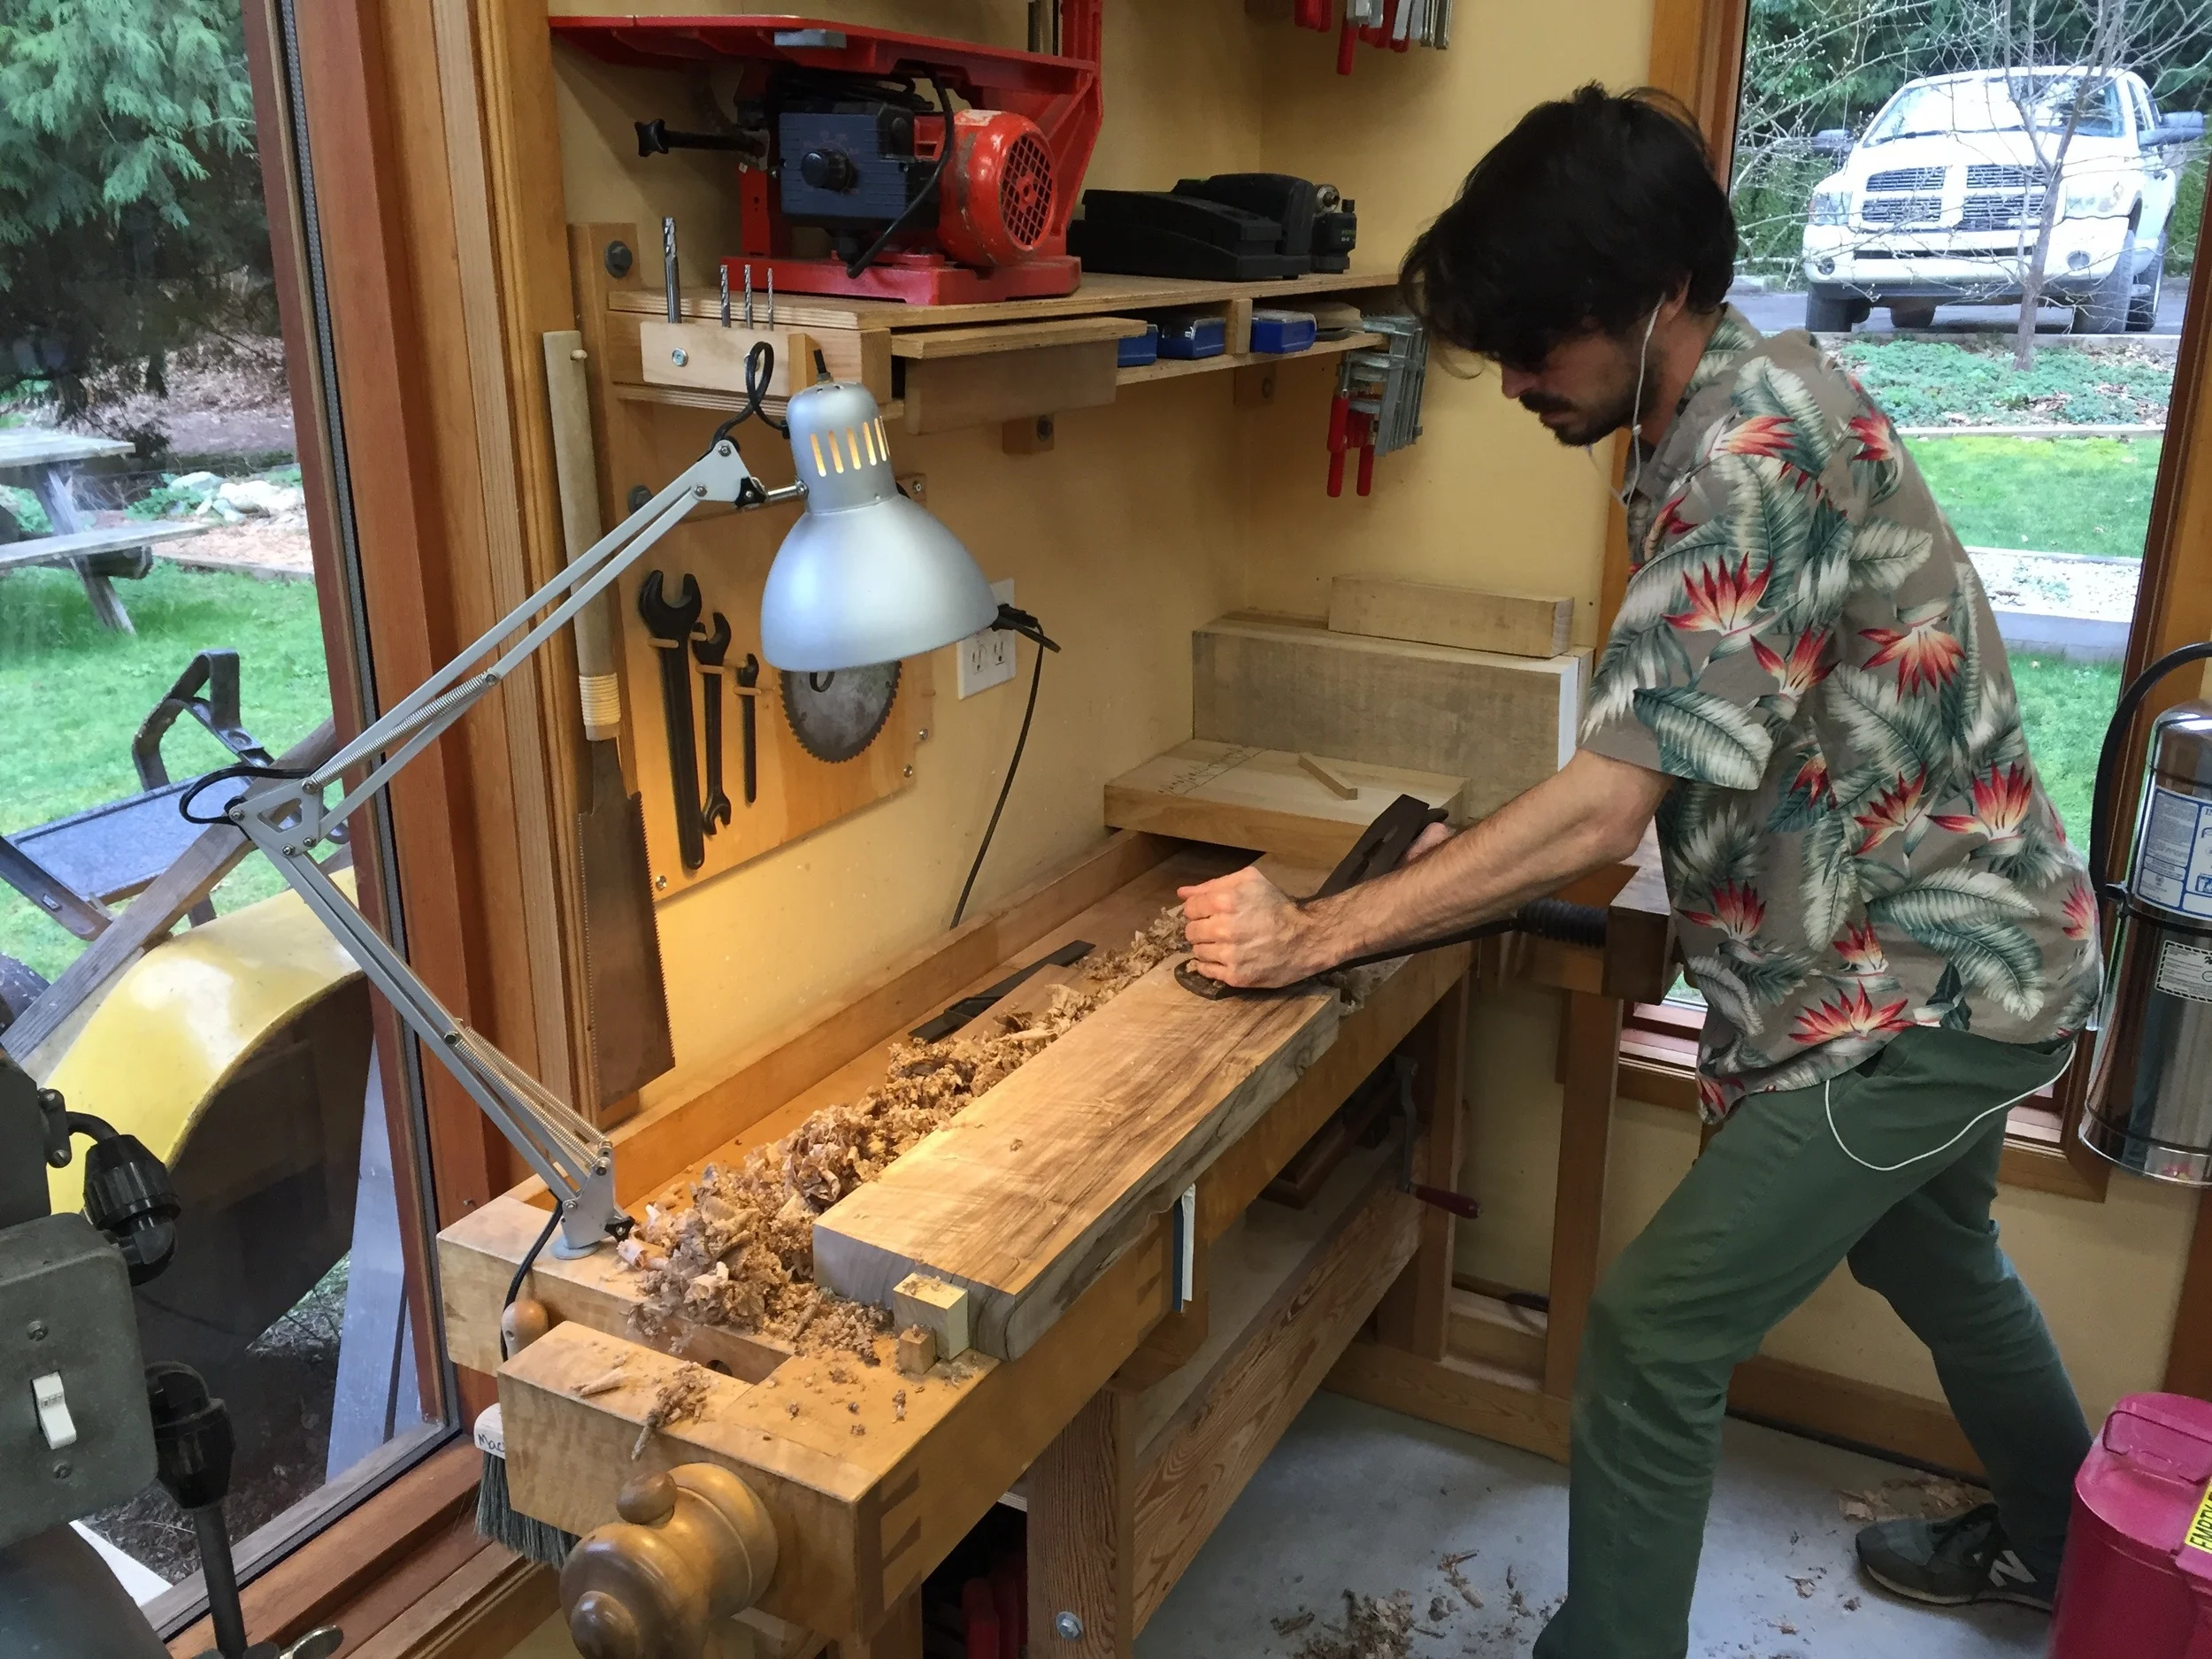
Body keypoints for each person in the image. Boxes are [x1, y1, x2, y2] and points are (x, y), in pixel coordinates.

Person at [1177, 84, 2105, 1658]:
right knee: (1931, 1246)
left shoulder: (1752, 448)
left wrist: (1315, 932)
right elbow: (1720, 722)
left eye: (1544, 347)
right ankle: (2061, 1541)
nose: (1525, 384)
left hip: (1930, 984)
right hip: (1935, 941)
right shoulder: (1711, 404)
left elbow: (1608, 805)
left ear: (1655, 300)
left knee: (1655, 1334)